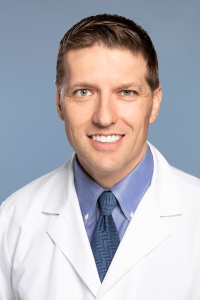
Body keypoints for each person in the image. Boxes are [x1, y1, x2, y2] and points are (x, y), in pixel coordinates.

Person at [0, 14, 200, 300]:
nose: (104, 117)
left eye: (126, 92)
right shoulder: (12, 222)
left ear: (154, 104)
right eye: (84, 92)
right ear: (59, 103)